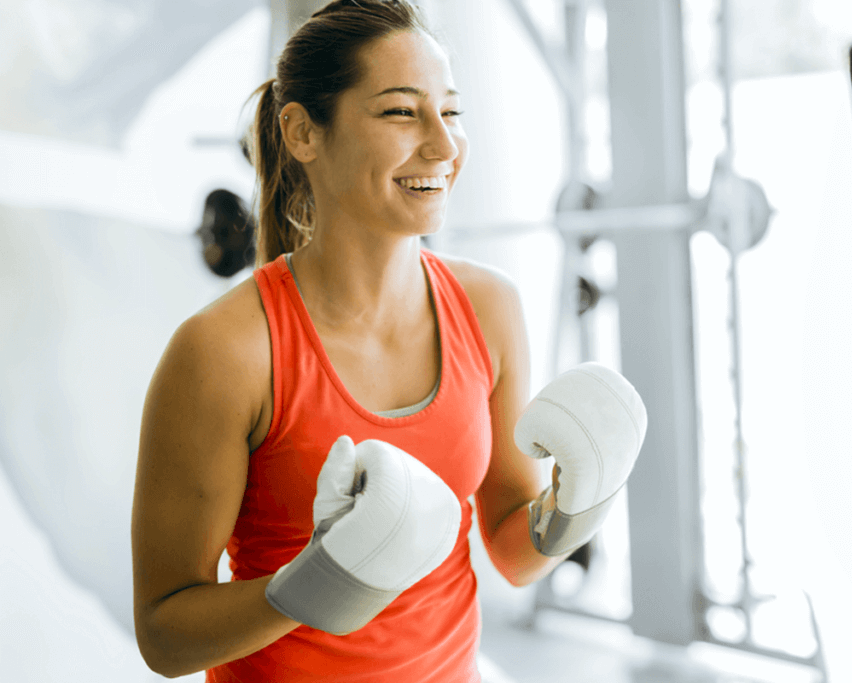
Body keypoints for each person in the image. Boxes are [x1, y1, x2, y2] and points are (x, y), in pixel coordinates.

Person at [131, 2, 645, 681]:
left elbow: (513, 550)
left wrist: (582, 498)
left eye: (451, 112)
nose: (443, 144)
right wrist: (315, 584)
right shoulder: (225, 352)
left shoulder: (488, 308)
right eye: (402, 112)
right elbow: (165, 636)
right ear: (303, 132)